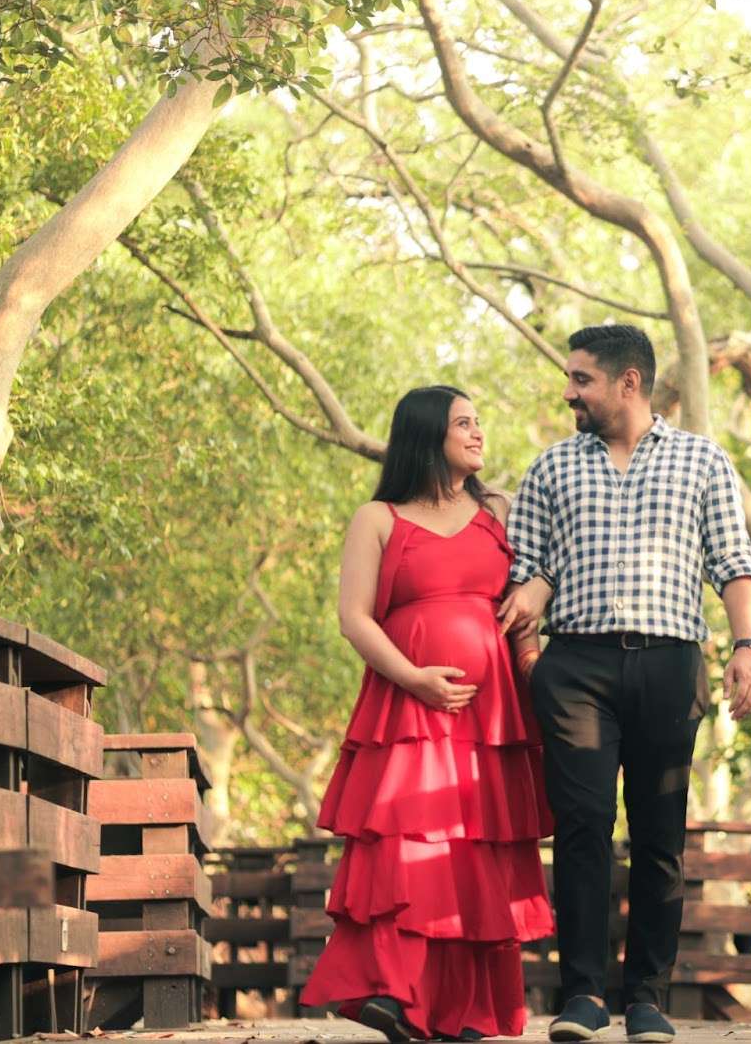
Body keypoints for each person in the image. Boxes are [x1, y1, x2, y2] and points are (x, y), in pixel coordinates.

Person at [498, 325, 751, 1044]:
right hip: (576, 667)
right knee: (582, 832)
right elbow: (523, 577)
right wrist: (532, 658)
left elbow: (734, 562)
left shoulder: (702, 460)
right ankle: (582, 996)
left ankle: (646, 997)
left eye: (581, 379)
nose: (568, 392)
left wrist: (747, 648)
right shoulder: (551, 468)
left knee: (659, 837)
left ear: (628, 382)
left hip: (670, 662)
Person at [302, 385, 555, 1042]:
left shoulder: (499, 509)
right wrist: (415, 678)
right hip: (407, 708)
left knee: (479, 854)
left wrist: (535, 588)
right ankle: (401, 995)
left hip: (492, 713)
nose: (477, 433)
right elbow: (353, 617)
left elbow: (549, 569)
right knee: (411, 845)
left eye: (479, 421)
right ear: (427, 435)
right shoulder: (378, 517)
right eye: (463, 423)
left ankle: (469, 1011)